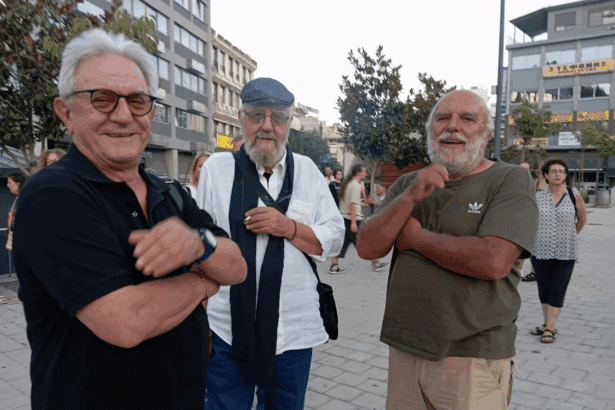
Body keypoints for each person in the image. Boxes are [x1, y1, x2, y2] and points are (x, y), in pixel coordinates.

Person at [13, 29, 247, 410]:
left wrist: (197, 244)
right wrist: (204, 281)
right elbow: (127, 321)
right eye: (102, 99)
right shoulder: (52, 195)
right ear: (66, 112)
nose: (123, 116)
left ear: (151, 113)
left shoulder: (167, 191)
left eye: (137, 101)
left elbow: (237, 266)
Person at [356, 90, 539, 410]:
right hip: (404, 350)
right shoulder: (408, 183)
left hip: (473, 357)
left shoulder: (509, 179)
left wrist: (417, 239)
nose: (452, 126)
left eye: (467, 118)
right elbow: (367, 248)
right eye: (442, 118)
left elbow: (493, 260)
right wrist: (410, 197)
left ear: (487, 133)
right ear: (430, 130)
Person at [196, 77, 344, 410]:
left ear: (289, 123)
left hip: (293, 330)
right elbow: (200, 243)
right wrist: (200, 319)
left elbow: (335, 238)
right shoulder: (217, 170)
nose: (266, 126)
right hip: (227, 328)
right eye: (256, 115)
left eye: (277, 117)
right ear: (240, 118)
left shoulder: (307, 171)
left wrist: (289, 227)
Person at [529, 158, 587, 343]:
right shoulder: (537, 196)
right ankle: (547, 324)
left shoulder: (573, 194)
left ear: (565, 175)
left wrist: (569, 236)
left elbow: (582, 219)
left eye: (561, 171)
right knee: (544, 289)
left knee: (558, 288)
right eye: (553, 171)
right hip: (540, 250)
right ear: (546, 175)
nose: (558, 174)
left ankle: (550, 328)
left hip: (566, 252)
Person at [329, 165, 388, 274]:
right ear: (358, 173)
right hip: (353, 218)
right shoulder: (355, 185)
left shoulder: (349, 184)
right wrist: (353, 223)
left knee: (344, 242)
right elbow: (352, 204)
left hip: (346, 218)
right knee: (365, 241)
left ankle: (334, 265)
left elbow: (349, 203)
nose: (365, 174)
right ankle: (375, 263)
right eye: (364, 172)